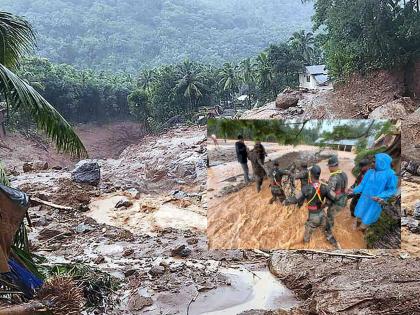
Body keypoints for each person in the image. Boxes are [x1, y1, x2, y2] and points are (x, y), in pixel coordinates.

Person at [284, 165, 338, 245]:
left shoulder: (306, 189)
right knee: (328, 232)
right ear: (318, 175)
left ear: (311, 175)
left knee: (306, 238)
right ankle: (334, 243)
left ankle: (306, 246)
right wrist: (326, 204)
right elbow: (335, 197)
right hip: (322, 215)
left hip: (313, 217)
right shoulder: (325, 187)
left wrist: (286, 201)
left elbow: (296, 199)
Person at [349, 153, 398, 230]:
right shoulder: (370, 172)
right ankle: (356, 229)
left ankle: (361, 230)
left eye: (374, 162)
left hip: (375, 202)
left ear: (382, 162)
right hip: (364, 199)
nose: (372, 164)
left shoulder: (391, 174)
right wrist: (354, 190)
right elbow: (362, 185)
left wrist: (380, 196)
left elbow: (391, 190)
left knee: (367, 220)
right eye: (373, 161)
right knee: (359, 215)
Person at [325, 155, 348, 246]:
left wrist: (326, 203)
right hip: (343, 199)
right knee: (333, 216)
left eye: (329, 167)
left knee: (330, 216)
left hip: (336, 201)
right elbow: (344, 188)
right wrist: (327, 183)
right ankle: (330, 228)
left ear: (333, 166)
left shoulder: (333, 177)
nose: (329, 168)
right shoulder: (344, 174)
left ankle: (329, 234)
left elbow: (330, 194)